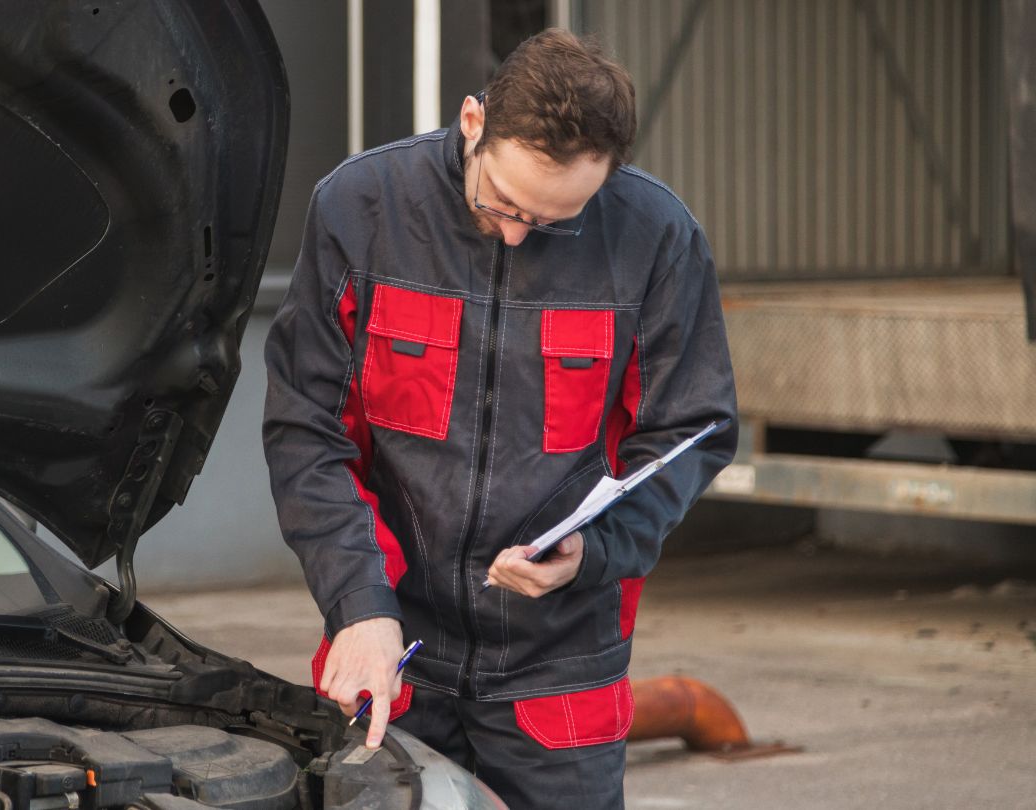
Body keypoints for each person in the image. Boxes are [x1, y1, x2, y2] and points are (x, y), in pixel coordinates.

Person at [262, 28, 737, 809]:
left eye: (555, 220)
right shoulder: (361, 209)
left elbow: (693, 434)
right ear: (473, 122)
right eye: (505, 203)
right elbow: (306, 429)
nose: (520, 231)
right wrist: (358, 605)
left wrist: (592, 549)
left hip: (561, 671)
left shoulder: (656, 238)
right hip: (394, 648)